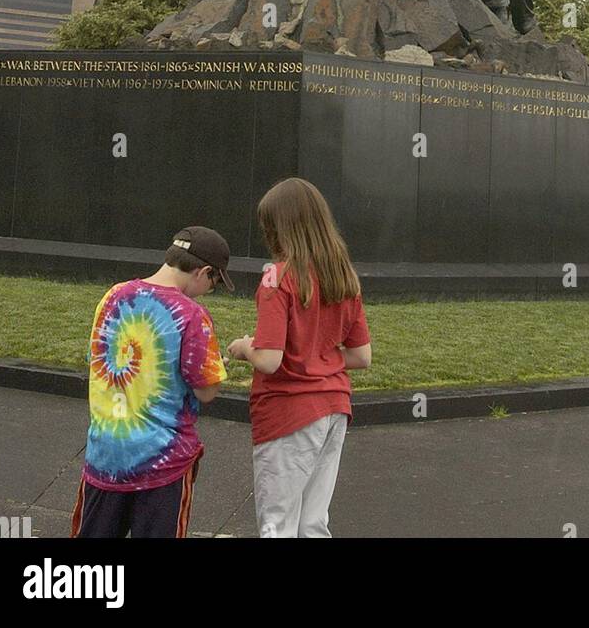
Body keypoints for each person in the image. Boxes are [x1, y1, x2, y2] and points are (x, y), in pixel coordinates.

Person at [227, 178, 371, 539]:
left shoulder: (277, 279)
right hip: (334, 408)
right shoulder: (344, 276)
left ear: (281, 227)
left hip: (288, 412)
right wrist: (318, 356)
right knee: (312, 522)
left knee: (278, 523)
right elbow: (361, 356)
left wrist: (244, 347)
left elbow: (270, 360)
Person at [71, 225, 232, 539]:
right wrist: (218, 368)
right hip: (162, 463)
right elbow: (205, 388)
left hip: (106, 455)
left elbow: (101, 360)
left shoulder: (113, 296)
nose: (208, 291)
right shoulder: (192, 315)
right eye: (213, 283)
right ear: (205, 271)